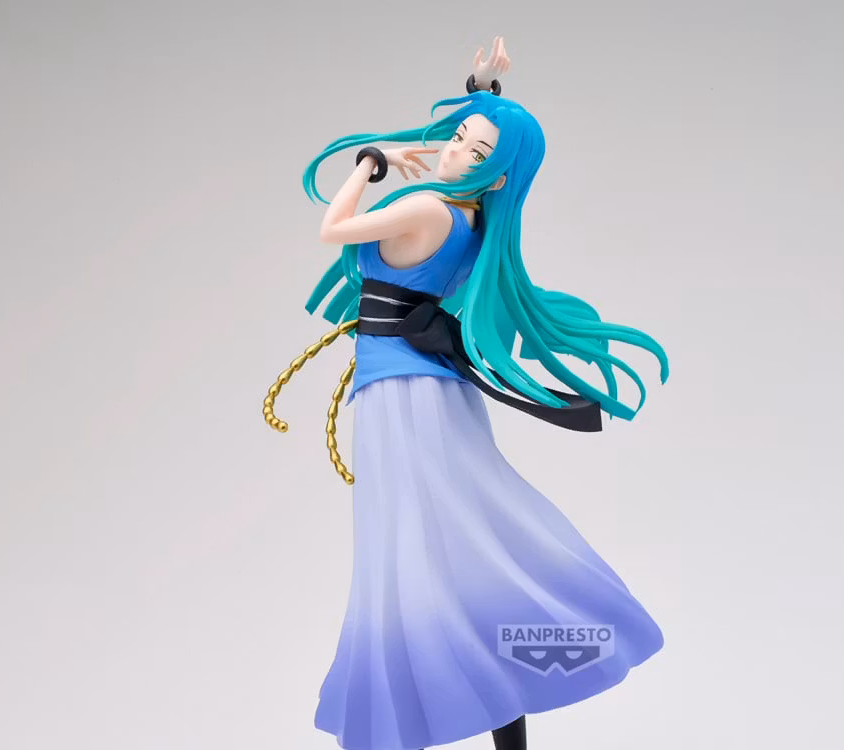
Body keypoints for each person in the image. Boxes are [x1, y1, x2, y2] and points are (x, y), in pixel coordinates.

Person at [268, 37, 670, 750]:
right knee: (460, 550)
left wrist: (368, 165)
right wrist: (482, 89)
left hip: (403, 397)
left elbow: (332, 227)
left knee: (419, 560)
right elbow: (482, 141)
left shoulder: (428, 209)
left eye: (472, 150)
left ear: (496, 173)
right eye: (456, 138)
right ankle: (489, 698)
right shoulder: (475, 221)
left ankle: (424, 705)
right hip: (431, 392)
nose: (453, 152)